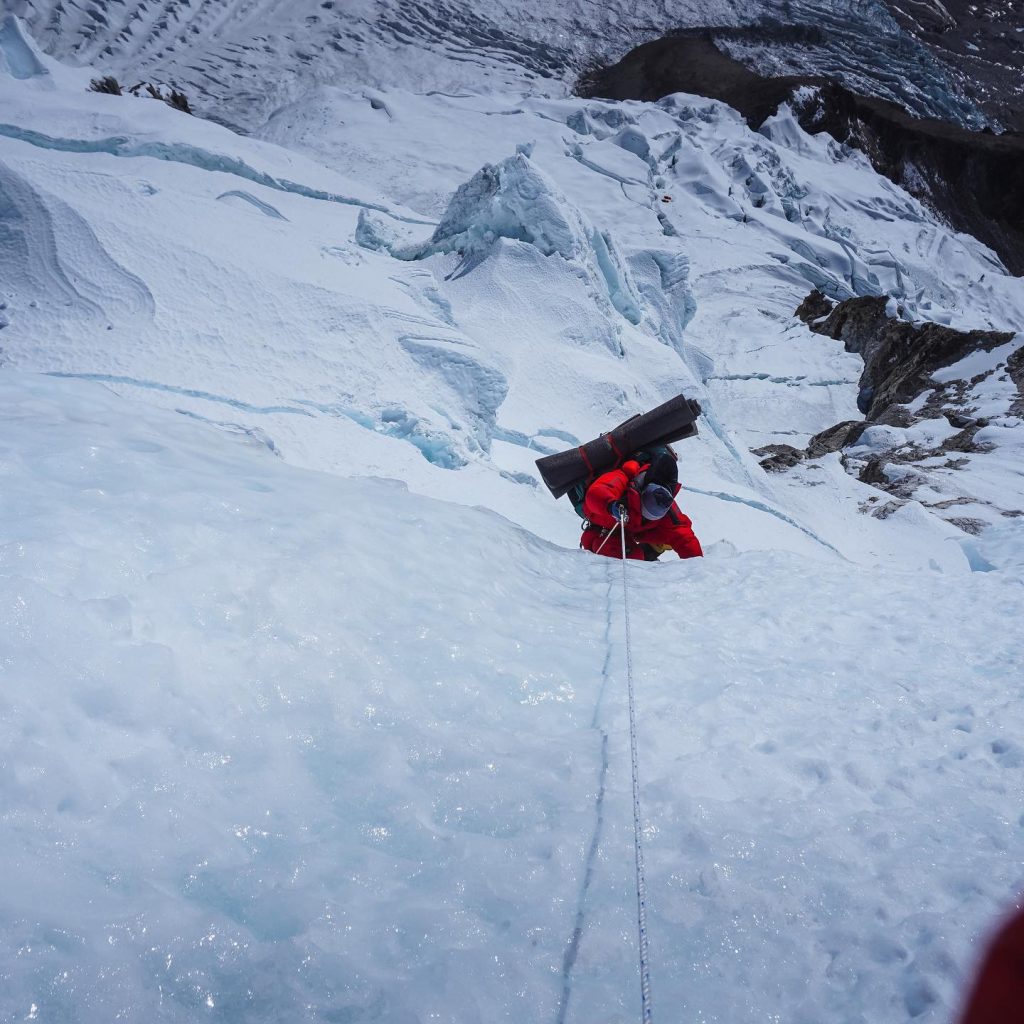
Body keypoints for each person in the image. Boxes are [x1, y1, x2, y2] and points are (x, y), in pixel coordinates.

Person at [580, 449, 702, 561]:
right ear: (643, 490)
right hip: (601, 531)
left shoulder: (666, 507)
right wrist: (611, 505)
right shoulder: (624, 477)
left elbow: (683, 536)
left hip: (627, 534)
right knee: (629, 557)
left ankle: (647, 560)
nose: (653, 512)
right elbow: (596, 493)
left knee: (652, 549)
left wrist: (698, 569)